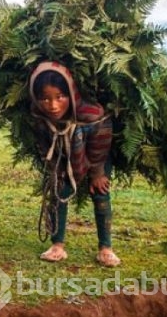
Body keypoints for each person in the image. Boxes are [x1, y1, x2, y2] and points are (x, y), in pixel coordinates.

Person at [28, 61, 121, 267]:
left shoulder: (92, 114)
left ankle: (106, 248)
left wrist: (97, 172)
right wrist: (55, 170)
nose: (52, 105)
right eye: (45, 98)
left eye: (60, 97)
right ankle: (57, 245)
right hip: (61, 156)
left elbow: (101, 143)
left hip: (97, 156)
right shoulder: (39, 116)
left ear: (71, 93)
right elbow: (43, 145)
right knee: (58, 190)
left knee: (101, 193)